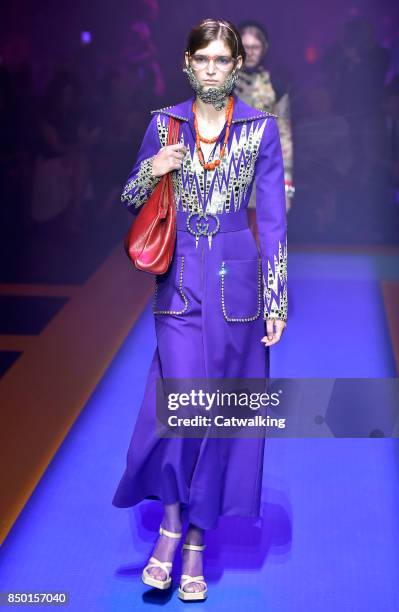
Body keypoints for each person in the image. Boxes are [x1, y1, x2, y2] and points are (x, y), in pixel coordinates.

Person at [112, 18, 288, 601]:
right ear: (188, 63)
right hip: (181, 280)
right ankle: (168, 525)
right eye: (203, 59)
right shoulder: (164, 124)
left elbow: (274, 223)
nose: (212, 68)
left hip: (237, 282)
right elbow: (131, 197)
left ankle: (193, 539)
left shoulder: (259, 129)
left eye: (222, 59)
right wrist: (152, 168)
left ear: (237, 66)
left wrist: (276, 298)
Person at [236, 20, 294, 215]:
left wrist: (286, 188)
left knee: (261, 237)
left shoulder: (276, 87)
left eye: (256, 47)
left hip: (263, 169)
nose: (250, 52)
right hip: (226, 171)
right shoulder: (221, 83)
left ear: (264, 48)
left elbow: (284, 135)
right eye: (246, 47)